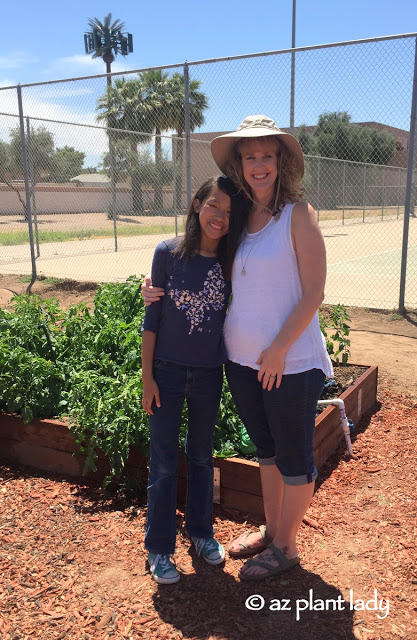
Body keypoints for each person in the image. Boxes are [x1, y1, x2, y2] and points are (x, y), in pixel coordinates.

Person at [143, 114, 333, 582]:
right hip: (242, 363)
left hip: (288, 362)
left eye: (267, 155)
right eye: (250, 157)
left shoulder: (298, 214)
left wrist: (278, 348)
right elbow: (205, 271)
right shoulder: (240, 221)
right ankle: (271, 531)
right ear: (241, 165)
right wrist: (153, 289)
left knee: (294, 457)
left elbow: (314, 292)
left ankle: (286, 546)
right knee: (266, 451)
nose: (259, 165)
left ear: (281, 160)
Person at [141, 175, 247, 584]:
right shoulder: (167, 254)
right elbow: (151, 322)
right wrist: (147, 377)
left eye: (228, 211)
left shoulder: (231, 259)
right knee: (164, 462)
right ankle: (159, 548)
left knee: (202, 456)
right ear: (196, 204)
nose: (219, 217)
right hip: (165, 373)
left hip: (208, 374)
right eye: (213, 206)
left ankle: (201, 533)